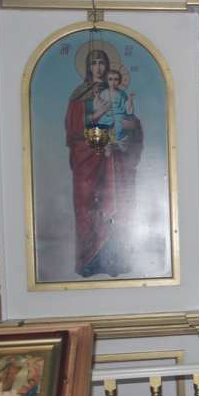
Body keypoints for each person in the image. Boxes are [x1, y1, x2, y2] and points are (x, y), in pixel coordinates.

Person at [65, 49, 144, 278]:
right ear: (88, 67)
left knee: (116, 203)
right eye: (94, 63)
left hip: (115, 157)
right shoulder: (80, 95)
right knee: (89, 207)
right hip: (89, 159)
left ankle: (115, 260)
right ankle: (90, 261)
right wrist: (96, 114)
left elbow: (127, 117)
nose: (98, 68)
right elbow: (73, 127)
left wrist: (131, 124)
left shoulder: (119, 92)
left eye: (102, 63)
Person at [97, 69, 136, 154]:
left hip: (119, 114)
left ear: (119, 81)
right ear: (107, 80)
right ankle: (106, 144)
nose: (113, 82)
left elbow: (127, 109)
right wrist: (97, 98)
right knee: (101, 122)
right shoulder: (104, 93)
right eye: (110, 79)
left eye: (116, 79)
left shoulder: (122, 94)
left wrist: (130, 100)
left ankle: (115, 140)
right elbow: (98, 105)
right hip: (107, 115)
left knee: (120, 120)